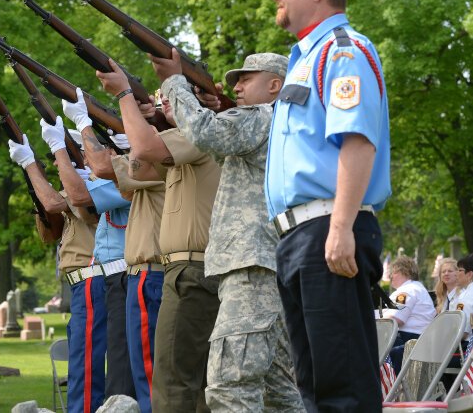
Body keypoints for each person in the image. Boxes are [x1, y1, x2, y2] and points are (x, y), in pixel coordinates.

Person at [259, 0, 391, 412]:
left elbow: (357, 142)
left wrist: (339, 229)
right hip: (300, 236)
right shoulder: (303, 58)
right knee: (314, 390)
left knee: (343, 390)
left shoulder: (342, 52)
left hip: (328, 230)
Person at [145, 50, 304, 411]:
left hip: (250, 268)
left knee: (229, 385)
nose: (238, 86)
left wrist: (173, 81)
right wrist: (189, 109)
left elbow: (206, 133)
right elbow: (215, 142)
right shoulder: (282, 124)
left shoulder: (262, 116)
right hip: (266, 265)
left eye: (247, 79)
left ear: (276, 85)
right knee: (277, 390)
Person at [95, 65, 222, 412]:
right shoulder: (190, 138)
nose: (163, 98)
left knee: (170, 381)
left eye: (173, 93)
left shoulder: (199, 135)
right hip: (185, 269)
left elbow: (144, 151)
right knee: (193, 383)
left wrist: (124, 96)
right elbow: (134, 164)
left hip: (191, 271)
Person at [63, 88, 166, 413]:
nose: (86, 153)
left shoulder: (144, 169)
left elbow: (82, 196)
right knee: (123, 374)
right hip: (122, 277)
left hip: (135, 275)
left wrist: (73, 135)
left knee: (133, 377)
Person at [8, 129, 106, 413]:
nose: (55, 162)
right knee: (80, 363)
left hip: (93, 279)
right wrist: (34, 179)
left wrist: (30, 165)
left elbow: (55, 203)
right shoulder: (71, 188)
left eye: (61, 155)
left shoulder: (90, 185)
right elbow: (48, 233)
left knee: (85, 364)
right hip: (81, 285)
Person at [41, 116, 136, 407]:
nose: (59, 164)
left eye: (74, 156)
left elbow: (78, 203)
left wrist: (62, 151)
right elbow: (48, 222)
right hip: (102, 280)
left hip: (109, 277)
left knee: (105, 371)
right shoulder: (99, 182)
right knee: (99, 367)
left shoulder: (112, 181)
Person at [382, 256, 436, 373]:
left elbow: (395, 320)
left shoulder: (407, 290)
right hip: (419, 341)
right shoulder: (415, 288)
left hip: (408, 342)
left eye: (393, 272)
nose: (391, 276)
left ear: (404, 271)